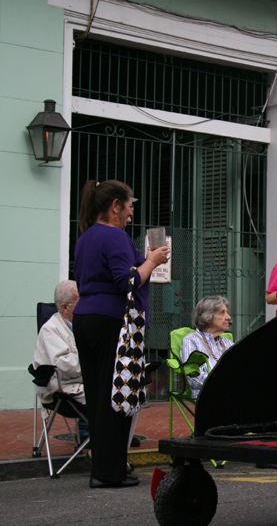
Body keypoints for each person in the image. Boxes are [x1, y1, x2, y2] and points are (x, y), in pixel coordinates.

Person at [72, 179, 169, 489]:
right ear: (115, 206)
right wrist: (152, 261)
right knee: (118, 394)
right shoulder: (115, 236)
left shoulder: (87, 236)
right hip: (113, 321)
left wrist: (148, 261)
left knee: (98, 393)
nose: (130, 214)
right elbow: (126, 282)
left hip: (86, 317)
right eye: (128, 207)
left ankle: (105, 465)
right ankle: (109, 471)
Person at [32, 280, 88, 441]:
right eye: (81, 300)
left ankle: (116, 438)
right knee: (111, 398)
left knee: (124, 391)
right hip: (61, 389)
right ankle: (107, 442)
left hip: (83, 382)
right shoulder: (50, 330)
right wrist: (96, 360)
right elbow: (68, 366)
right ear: (64, 307)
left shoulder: (82, 325)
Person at [180, 296, 234, 399]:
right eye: (222, 313)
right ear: (208, 318)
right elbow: (194, 379)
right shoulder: (191, 341)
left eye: (226, 312)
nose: (228, 317)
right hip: (207, 396)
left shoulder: (227, 343)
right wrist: (224, 383)